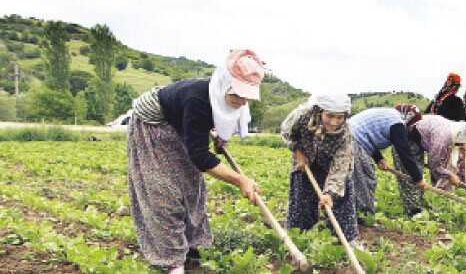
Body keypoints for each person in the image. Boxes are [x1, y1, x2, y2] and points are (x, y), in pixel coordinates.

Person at [127, 49, 266, 274]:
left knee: (191, 187)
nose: (241, 102)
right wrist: (240, 180)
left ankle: (192, 248)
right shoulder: (198, 100)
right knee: (163, 191)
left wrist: (221, 137)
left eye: (246, 97)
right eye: (237, 96)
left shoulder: (230, 99)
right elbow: (200, 156)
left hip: (179, 123)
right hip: (152, 124)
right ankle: (171, 261)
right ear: (223, 86)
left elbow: (220, 120)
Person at [281, 94, 360, 247]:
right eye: (330, 116)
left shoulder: (345, 133)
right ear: (320, 111)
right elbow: (287, 132)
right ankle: (298, 237)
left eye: (340, 117)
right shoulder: (302, 116)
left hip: (332, 164)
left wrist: (329, 193)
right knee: (301, 196)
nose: (334, 122)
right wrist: (297, 153)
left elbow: (341, 166)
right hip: (305, 158)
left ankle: (346, 240)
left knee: (341, 200)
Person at [349, 107, 430, 221]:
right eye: (412, 126)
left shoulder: (391, 116)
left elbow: (369, 133)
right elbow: (404, 153)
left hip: (352, 136)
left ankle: (355, 213)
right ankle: (364, 217)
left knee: (353, 179)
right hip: (353, 140)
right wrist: (418, 179)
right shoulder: (397, 124)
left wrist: (378, 159)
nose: (411, 130)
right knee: (366, 178)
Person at [413, 114, 466, 190]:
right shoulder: (442, 138)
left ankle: (418, 197)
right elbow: (433, 163)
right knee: (413, 176)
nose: (461, 145)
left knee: (417, 172)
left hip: (418, 137)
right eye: (461, 143)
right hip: (410, 137)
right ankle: (412, 199)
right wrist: (450, 175)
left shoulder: (451, 128)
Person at [391, 104, 427, 217]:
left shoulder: (414, 121)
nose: (414, 126)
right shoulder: (398, 129)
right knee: (407, 179)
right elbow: (405, 157)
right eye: (412, 125)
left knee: (418, 175)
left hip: (415, 146)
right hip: (402, 149)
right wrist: (417, 178)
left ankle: (420, 204)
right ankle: (413, 210)